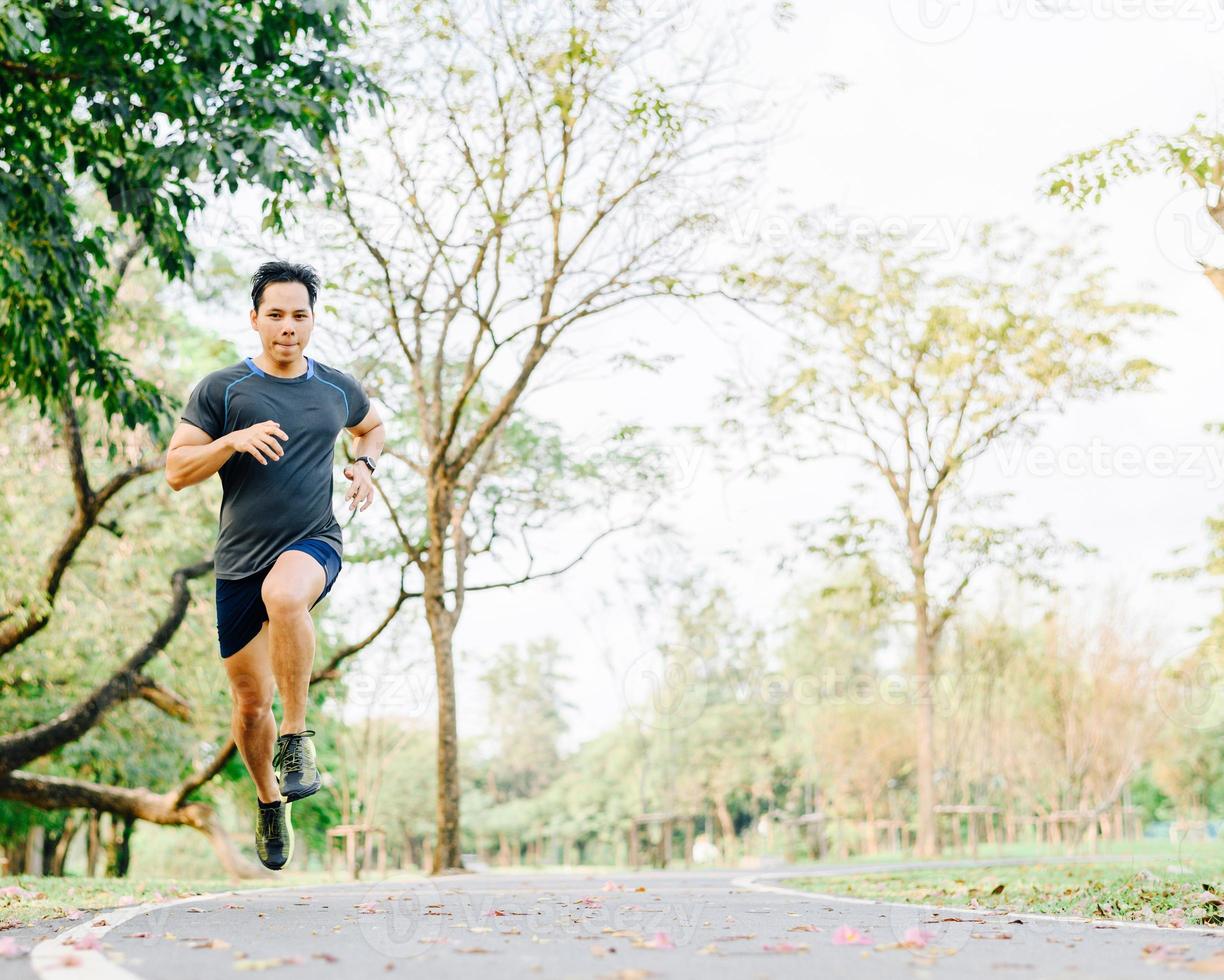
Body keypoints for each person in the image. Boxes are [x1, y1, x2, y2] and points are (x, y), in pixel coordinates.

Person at [165, 260, 385, 870]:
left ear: (313, 320)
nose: (289, 327)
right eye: (277, 315)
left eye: (300, 315)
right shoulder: (223, 390)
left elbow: (372, 428)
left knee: (287, 597)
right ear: (255, 318)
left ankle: (296, 739)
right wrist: (229, 442)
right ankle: (269, 800)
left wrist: (364, 466)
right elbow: (177, 470)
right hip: (239, 560)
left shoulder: (337, 389)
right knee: (247, 703)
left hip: (313, 539)